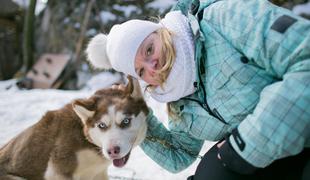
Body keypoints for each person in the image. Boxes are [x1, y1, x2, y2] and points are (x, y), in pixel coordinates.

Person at [86, 0, 310, 179]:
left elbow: (305, 58)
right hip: (277, 154)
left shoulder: (223, 19)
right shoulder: (179, 98)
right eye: (141, 71)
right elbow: (179, 156)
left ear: (159, 30)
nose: (152, 66)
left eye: (148, 50)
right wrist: (135, 116)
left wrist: (242, 146)